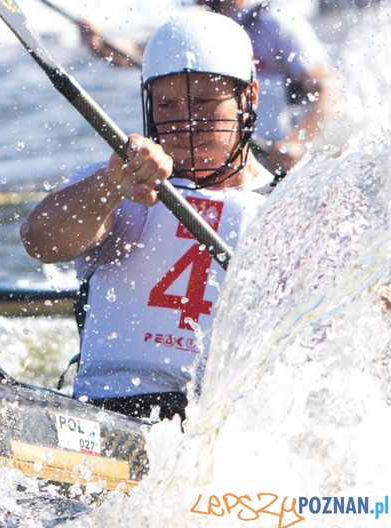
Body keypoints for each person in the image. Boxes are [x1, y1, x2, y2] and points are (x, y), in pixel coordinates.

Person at [20, 12, 275, 421]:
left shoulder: (285, 206)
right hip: (109, 411)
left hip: (222, 420)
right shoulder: (121, 183)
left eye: (205, 103)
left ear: (249, 98)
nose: (185, 120)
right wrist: (109, 185)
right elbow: (39, 241)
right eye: (168, 104)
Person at [80, 0, 333, 175]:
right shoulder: (190, 28)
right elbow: (134, 53)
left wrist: (297, 143)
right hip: (216, 165)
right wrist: (102, 44)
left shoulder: (277, 23)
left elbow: (327, 93)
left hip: (271, 160)